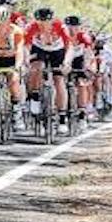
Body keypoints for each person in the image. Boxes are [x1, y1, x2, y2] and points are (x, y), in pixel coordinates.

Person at [25, 7, 73, 135]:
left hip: (58, 50)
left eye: (47, 22)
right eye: (41, 22)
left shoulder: (61, 26)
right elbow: (26, 47)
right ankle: (35, 96)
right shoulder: (32, 27)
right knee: (37, 68)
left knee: (59, 79)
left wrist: (67, 62)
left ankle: (62, 119)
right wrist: (26, 61)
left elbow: (69, 47)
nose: (44, 24)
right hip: (39, 48)